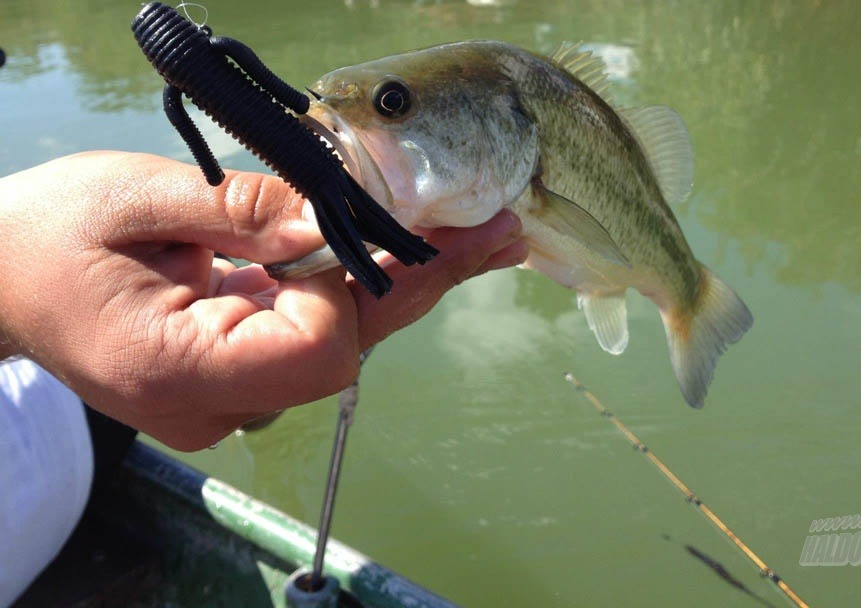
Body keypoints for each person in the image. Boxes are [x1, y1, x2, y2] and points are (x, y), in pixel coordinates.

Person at [0, 151, 527, 605]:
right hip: (61, 432)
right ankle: (253, 389)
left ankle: (252, 388)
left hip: (52, 412)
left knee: (212, 330)